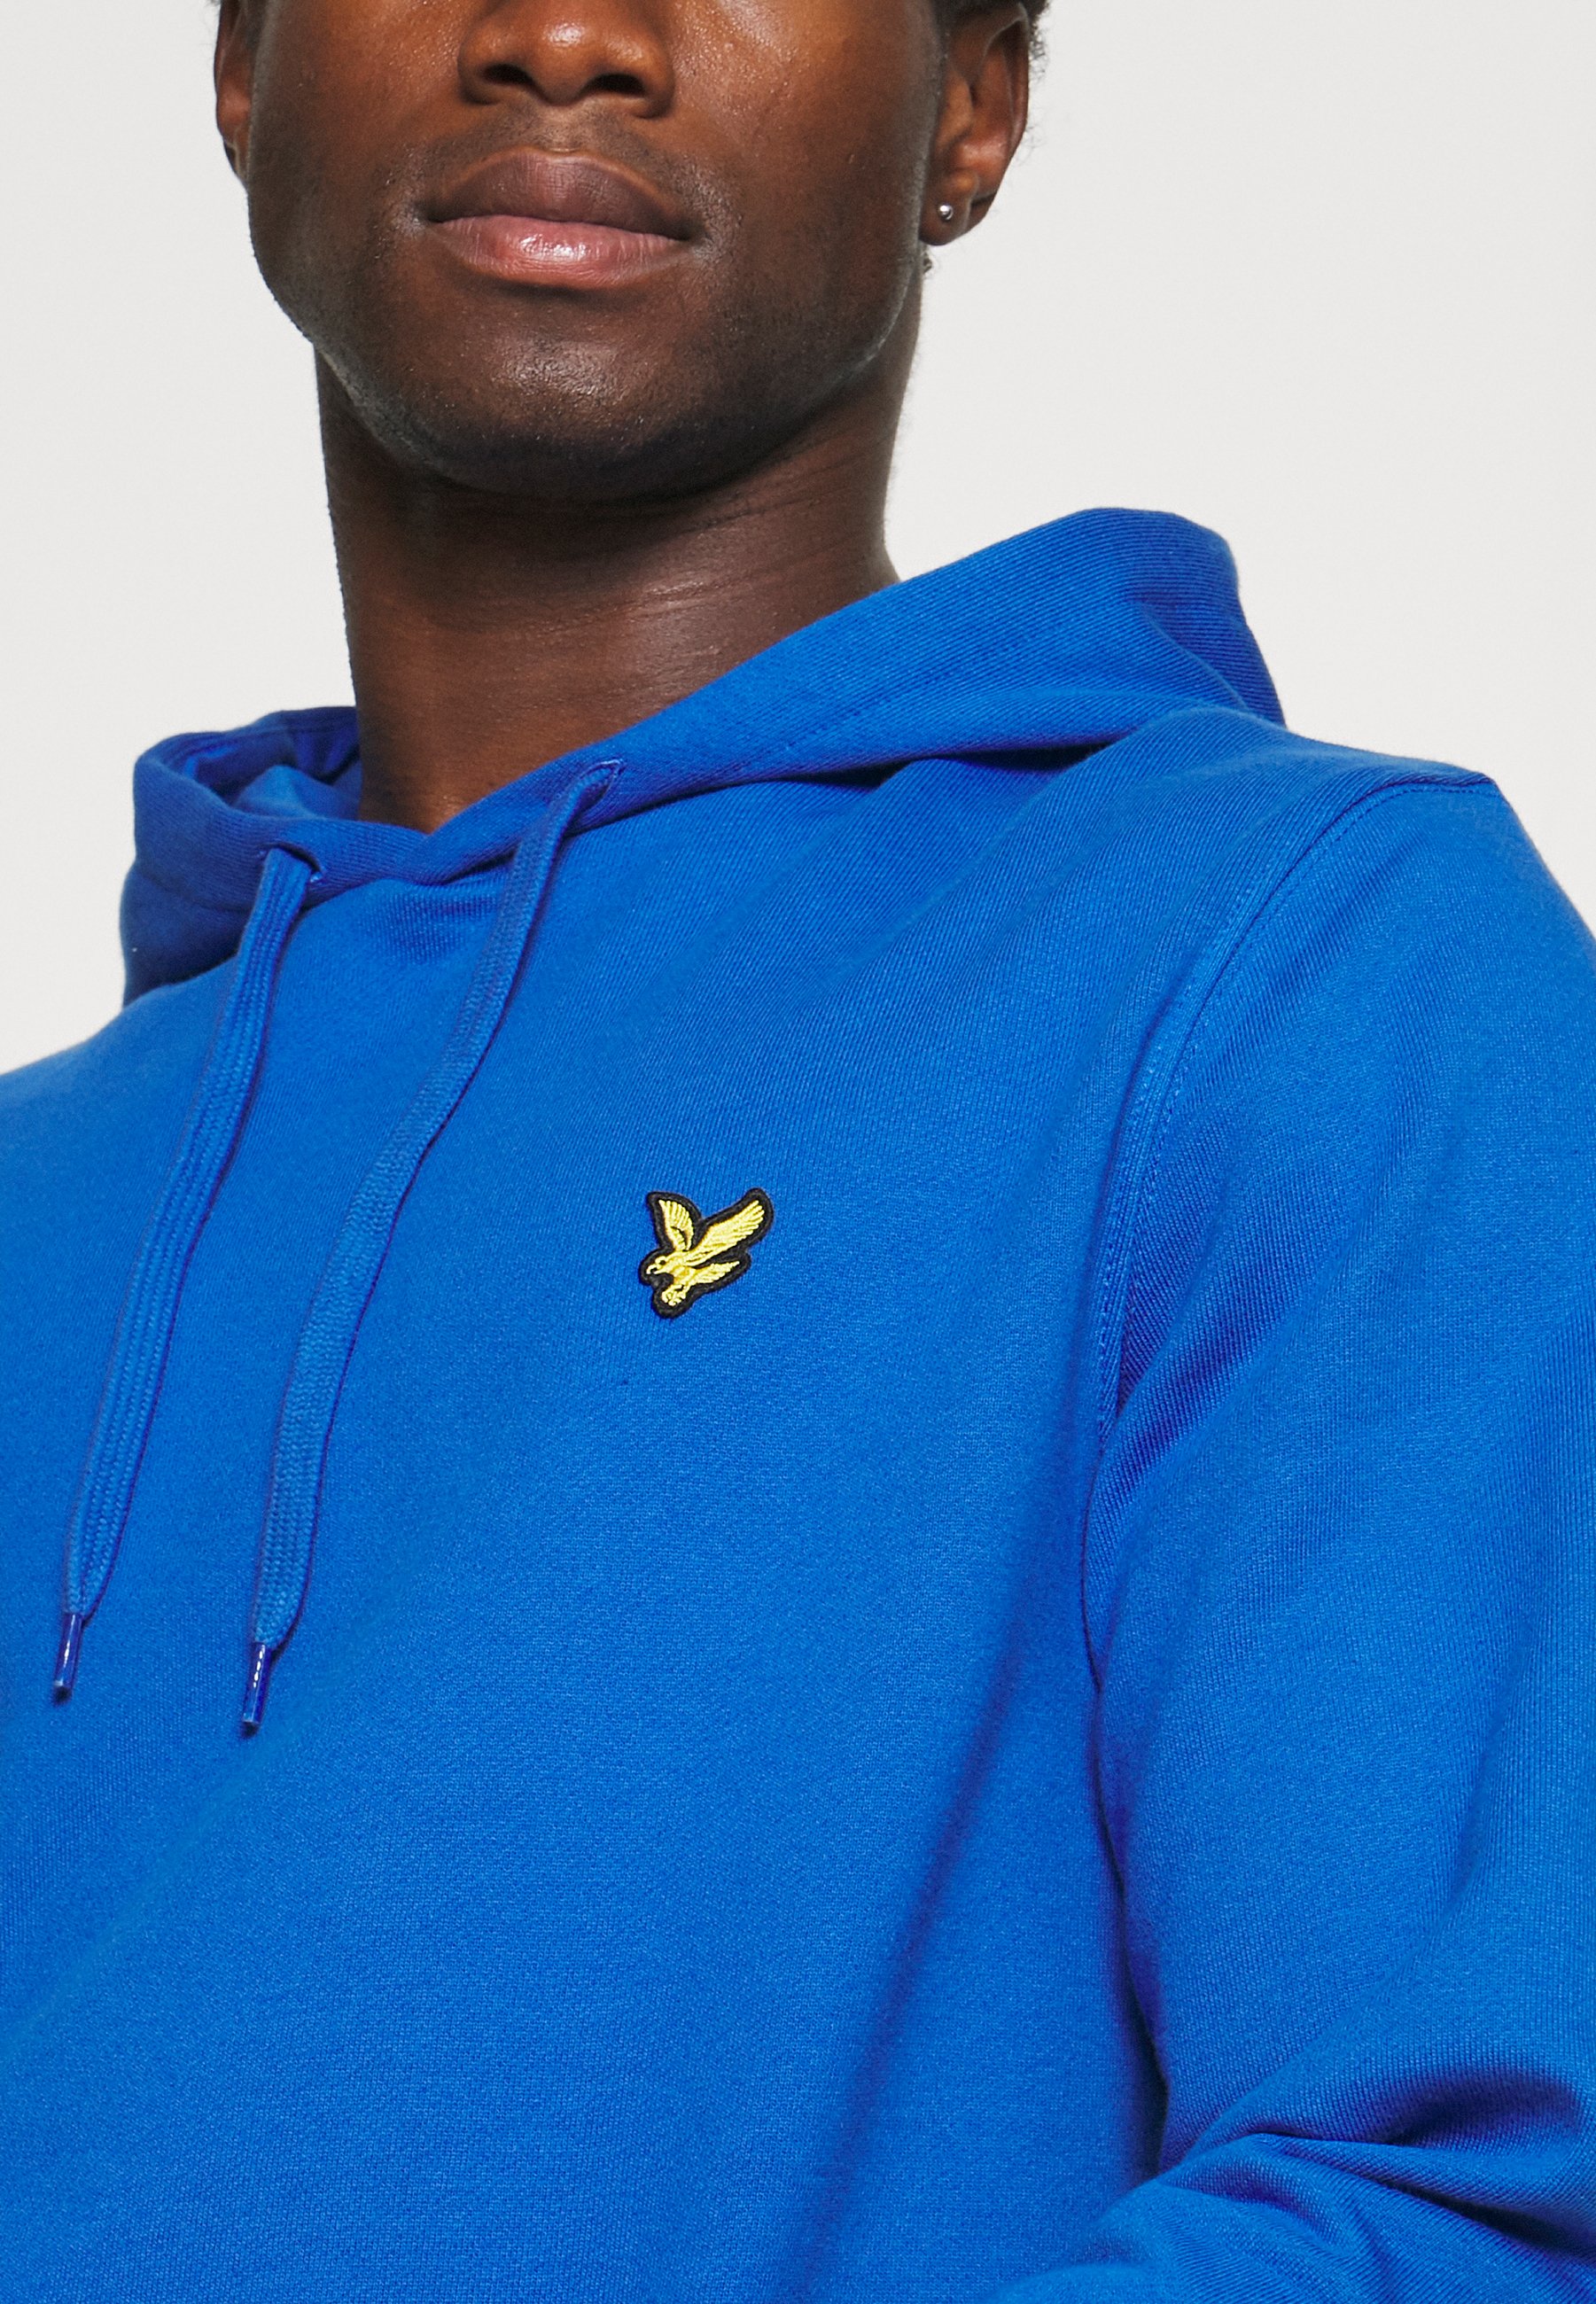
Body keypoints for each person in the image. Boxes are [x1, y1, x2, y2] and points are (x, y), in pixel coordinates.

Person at [0, 0, 1591, 2295]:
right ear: (245, 62)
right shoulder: (45, 1193)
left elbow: (1483, 2202)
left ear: (973, 103)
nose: (567, 32)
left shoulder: (1296, 969)